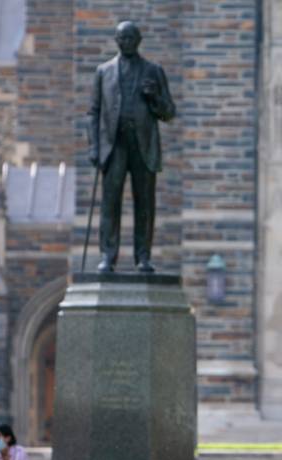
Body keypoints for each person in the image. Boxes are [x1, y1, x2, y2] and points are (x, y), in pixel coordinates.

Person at [88, 20, 176, 273]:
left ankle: (143, 257)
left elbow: (169, 112)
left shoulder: (153, 71)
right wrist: (94, 146)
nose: (126, 42)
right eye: (121, 38)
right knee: (110, 203)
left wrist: (154, 99)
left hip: (143, 145)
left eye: (130, 38)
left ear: (139, 40)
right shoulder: (103, 72)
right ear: (116, 41)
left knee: (145, 203)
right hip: (114, 145)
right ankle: (108, 255)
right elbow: (93, 113)